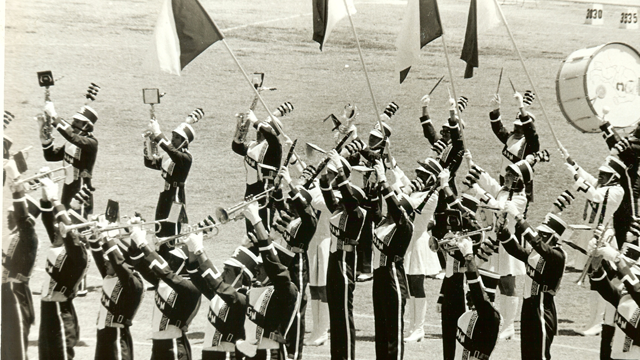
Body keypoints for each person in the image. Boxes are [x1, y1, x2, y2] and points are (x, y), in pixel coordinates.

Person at [187, 201, 299, 360]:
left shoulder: (287, 291)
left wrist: (256, 221)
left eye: (261, 267)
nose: (256, 270)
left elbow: (273, 267)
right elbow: (205, 281)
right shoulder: (251, 293)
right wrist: (193, 251)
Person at [464, 153, 537, 340]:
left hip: (508, 244)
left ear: (520, 180)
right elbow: (487, 180)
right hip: (491, 243)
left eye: (512, 175)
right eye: (508, 173)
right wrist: (471, 162)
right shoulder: (502, 190)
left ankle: (508, 325)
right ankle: (488, 321)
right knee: (487, 282)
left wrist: (477, 190)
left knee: (507, 284)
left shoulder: (521, 199)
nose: (507, 176)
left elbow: (499, 208)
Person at [499, 199, 569, 360]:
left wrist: (518, 217)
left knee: (540, 355)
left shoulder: (558, 255)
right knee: (528, 354)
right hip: (529, 305)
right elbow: (516, 250)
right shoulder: (538, 253)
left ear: (554, 237)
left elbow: (536, 242)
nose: (540, 236)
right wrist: (502, 231)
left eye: (544, 234)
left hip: (543, 306)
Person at [564, 153, 626, 336]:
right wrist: (573, 164)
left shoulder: (617, 191)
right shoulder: (604, 184)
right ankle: (596, 320)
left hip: (603, 237)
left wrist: (575, 178)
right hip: (592, 235)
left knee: (600, 278)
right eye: (601, 173)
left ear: (614, 177)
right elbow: (589, 179)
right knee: (595, 278)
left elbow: (596, 195)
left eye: (605, 174)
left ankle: (599, 321)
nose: (600, 176)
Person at [320, 150, 368, 360]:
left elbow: (347, 198)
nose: (339, 202)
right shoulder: (339, 210)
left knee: (344, 315)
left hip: (346, 262)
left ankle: (347, 356)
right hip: (334, 260)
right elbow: (325, 188)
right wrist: (326, 168)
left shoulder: (357, 214)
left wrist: (341, 171)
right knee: (335, 314)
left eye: (345, 199)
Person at [128, 224, 202, 360]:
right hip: (158, 346)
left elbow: (166, 273)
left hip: (173, 347)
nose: (170, 261)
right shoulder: (163, 280)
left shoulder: (191, 288)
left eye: (174, 260)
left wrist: (143, 243)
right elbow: (138, 263)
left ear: (183, 265)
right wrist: (134, 236)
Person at [37, 177, 89, 360]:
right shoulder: (62, 244)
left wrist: (55, 200)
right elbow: (47, 218)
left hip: (60, 310)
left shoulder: (79, 256)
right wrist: (45, 194)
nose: (56, 229)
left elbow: (66, 227)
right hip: (49, 308)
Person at [273, 166, 319, 360]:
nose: (290, 205)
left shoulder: (309, 221)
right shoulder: (294, 218)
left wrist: (291, 184)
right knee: (285, 304)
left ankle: (295, 352)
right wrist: (277, 187)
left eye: (294, 203)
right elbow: (278, 204)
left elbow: (304, 211)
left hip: (298, 264)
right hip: (286, 260)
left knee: (297, 308)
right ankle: (284, 345)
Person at [371, 160, 415, 359]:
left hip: (393, 278)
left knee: (393, 332)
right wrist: (373, 186)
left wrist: (383, 179)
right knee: (381, 330)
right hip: (379, 277)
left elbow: (396, 211)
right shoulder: (384, 222)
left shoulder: (405, 227)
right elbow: (375, 211)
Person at [87, 222, 144, 360]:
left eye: (109, 260)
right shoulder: (110, 276)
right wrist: (95, 235)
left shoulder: (132, 282)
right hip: (103, 335)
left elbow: (119, 264)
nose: (105, 263)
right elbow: (99, 257)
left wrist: (107, 238)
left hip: (117, 336)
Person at [2, 160, 41, 359]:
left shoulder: (29, 237)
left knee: (15, 349)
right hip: (6, 293)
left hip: (16, 294)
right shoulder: (11, 236)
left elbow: (22, 219)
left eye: (12, 214)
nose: (9, 216)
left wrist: (16, 183)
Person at [144, 109, 202, 241]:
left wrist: (158, 133)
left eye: (177, 138)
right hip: (165, 196)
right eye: (173, 136)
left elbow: (172, 152)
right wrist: (149, 141)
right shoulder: (169, 156)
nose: (173, 140)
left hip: (176, 200)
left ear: (185, 141)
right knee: (159, 230)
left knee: (172, 236)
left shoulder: (186, 158)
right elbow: (149, 162)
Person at [232, 104, 290, 233]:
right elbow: (237, 148)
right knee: (251, 235)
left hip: (265, 198)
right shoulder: (254, 145)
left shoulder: (274, 148)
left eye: (261, 131)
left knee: (263, 233)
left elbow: (270, 135)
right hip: (250, 194)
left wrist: (254, 120)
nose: (258, 132)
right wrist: (239, 131)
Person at [39, 92, 99, 216]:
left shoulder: (91, 143)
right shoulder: (72, 141)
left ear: (87, 126)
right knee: (62, 222)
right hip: (68, 189)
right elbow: (51, 156)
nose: (73, 123)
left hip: (81, 194)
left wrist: (54, 115)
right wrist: (46, 143)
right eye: (74, 120)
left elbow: (71, 135)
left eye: (77, 122)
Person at [588, 239, 640, 359]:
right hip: (618, 353)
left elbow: (636, 289)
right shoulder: (626, 298)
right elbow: (605, 289)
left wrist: (618, 259)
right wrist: (596, 261)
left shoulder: (636, 293)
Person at [488, 92, 540, 205]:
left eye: (520, 127)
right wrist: (496, 110)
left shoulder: (531, 143)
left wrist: (521, 106)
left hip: (518, 186)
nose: (517, 129)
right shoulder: (511, 138)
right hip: (504, 179)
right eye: (515, 126)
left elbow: (531, 132)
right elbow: (498, 129)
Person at [454, 237, 501, 360]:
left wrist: (469, 257)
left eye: (471, 294)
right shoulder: (467, 315)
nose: (467, 296)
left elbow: (478, 293)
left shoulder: (490, 316)